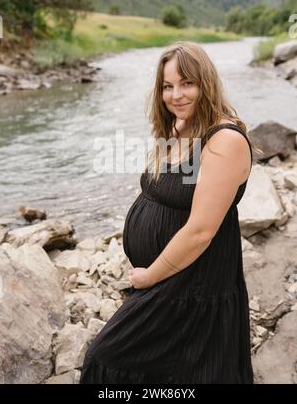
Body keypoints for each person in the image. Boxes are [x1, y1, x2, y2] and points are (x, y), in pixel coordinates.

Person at [79, 40, 259, 384]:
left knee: (106, 356)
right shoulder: (179, 128)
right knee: (177, 368)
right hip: (171, 275)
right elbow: (164, 191)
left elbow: (201, 230)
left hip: (192, 280)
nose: (176, 94)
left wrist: (149, 277)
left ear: (206, 83)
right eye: (167, 86)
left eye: (186, 83)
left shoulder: (224, 140)